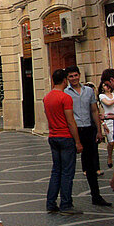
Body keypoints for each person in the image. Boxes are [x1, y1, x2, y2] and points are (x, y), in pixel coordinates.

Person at [64, 66, 111, 207]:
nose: (73, 78)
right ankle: (67, 200)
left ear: (79, 75)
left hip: (88, 129)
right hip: (74, 130)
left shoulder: (89, 91)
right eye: (70, 76)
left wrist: (98, 130)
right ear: (67, 78)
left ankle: (96, 196)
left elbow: (94, 110)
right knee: (68, 165)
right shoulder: (65, 93)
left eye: (75, 75)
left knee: (91, 164)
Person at [43, 68, 83, 215]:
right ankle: (66, 204)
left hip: (53, 136)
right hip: (65, 137)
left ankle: (51, 202)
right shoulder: (65, 98)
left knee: (56, 171)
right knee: (67, 173)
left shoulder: (47, 97)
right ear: (65, 80)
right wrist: (78, 141)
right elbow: (71, 121)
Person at [98, 81, 114, 170]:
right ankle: (109, 156)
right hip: (108, 120)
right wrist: (103, 123)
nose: (107, 87)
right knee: (111, 141)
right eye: (105, 85)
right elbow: (109, 103)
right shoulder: (102, 96)